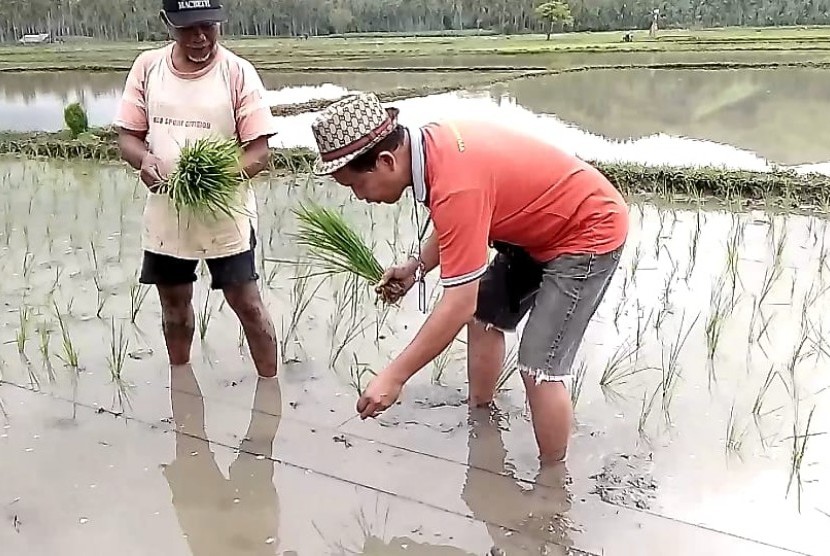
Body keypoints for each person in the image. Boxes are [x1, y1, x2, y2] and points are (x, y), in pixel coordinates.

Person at [309, 93, 628, 464]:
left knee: (539, 366)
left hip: (586, 230)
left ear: (385, 160)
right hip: (534, 227)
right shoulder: (428, 150)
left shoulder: (454, 179)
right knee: (486, 318)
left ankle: (552, 480)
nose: (359, 197)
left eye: (356, 186)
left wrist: (394, 376)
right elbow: (458, 222)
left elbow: (459, 302)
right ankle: (482, 416)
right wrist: (416, 267)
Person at [113, 0, 279, 377]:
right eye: (188, 28)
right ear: (166, 23)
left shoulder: (237, 72)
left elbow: (259, 151)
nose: (200, 37)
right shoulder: (148, 67)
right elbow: (129, 138)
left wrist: (217, 178)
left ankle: (271, 391)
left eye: (208, 25)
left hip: (224, 213)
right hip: (167, 212)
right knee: (174, 307)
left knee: (248, 304)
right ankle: (181, 383)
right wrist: (144, 160)